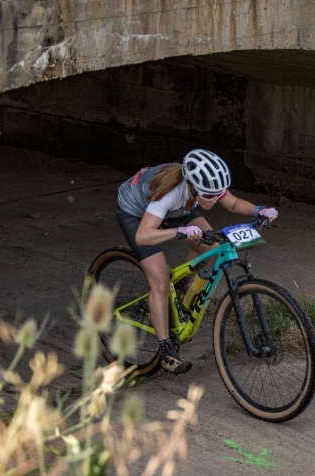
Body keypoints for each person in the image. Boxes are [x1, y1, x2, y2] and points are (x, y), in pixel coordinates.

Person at [115, 149, 278, 374]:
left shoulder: (206, 188)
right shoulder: (170, 193)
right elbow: (143, 236)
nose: (215, 198)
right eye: (210, 196)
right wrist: (179, 231)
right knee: (160, 281)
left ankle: (182, 286)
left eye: (217, 194)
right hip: (137, 213)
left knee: (212, 246)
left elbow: (232, 203)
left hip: (179, 210)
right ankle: (165, 351)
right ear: (192, 187)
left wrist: (259, 209)